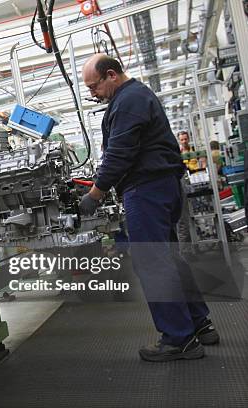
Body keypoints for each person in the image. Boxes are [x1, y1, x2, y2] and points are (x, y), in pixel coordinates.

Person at [78, 54, 219, 362]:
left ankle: (178, 339)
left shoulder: (129, 100)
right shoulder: (135, 96)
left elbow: (120, 152)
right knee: (168, 256)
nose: (92, 94)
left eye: (94, 87)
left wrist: (96, 193)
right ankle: (198, 323)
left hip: (146, 189)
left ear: (111, 75)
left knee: (152, 262)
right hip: (161, 185)